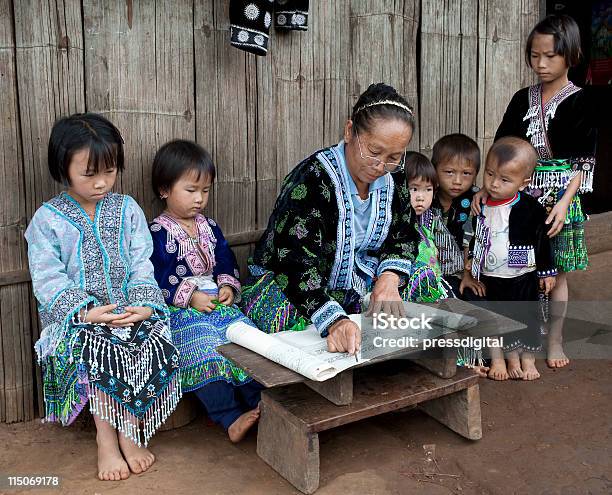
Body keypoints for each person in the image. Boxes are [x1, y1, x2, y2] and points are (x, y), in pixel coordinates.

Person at [24, 113, 181, 481]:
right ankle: (107, 440)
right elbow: (47, 279)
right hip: (77, 320)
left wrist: (144, 305)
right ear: (62, 169)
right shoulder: (47, 220)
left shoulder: (127, 209)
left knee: (152, 335)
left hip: (129, 309)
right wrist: (87, 313)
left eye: (109, 172)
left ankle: (129, 431)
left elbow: (143, 263)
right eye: (89, 174)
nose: (101, 183)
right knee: (97, 346)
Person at [240, 83, 420, 353]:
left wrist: (390, 279)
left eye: (394, 157)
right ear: (350, 132)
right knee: (299, 333)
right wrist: (333, 321)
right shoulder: (312, 179)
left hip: (365, 280)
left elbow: (404, 235)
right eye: (373, 152)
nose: (381, 166)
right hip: (297, 284)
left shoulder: (393, 177)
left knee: (424, 285)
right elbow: (293, 262)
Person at [474, 14, 597, 368]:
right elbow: (502, 147)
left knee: (555, 272)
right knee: (520, 267)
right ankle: (521, 334)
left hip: (562, 197)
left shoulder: (581, 102)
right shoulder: (521, 99)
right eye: (534, 55)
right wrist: (488, 187)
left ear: (570, 56)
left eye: (550, 56)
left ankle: (554, 340)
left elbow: (582, 163)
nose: (540, 64)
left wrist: (564, 203)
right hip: (520, 199)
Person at [149, 139, 262, 443]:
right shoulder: (156, 233)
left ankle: (260, 403)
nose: (199, 198)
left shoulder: (210, 226)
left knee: (244, 339)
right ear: (164, 189)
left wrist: (226, 285)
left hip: (217, 302)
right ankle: (229, 416)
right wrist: (190, 297)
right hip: (182, 310)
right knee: (204, 347)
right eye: (191, 190)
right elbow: (157, 276)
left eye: (205, 190)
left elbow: (224, 258)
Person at [468, 137, 556, 381]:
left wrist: (546, 272)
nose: (494, 184)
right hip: (489, 275)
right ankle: (500, 358)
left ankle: (526, 359)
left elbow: (542, 240)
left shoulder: (530, 207)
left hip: (522, 274)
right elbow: (474, 235)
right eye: (489, 175)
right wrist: (471, 268)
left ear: (523, 183)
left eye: (504, 180)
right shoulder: (481, 203)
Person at [429, 133, 485, 300]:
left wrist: (468, 275)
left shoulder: (475, 200)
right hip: (431, 273)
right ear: (435, 170)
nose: (458, 181)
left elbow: (474, 238)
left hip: (465, 273)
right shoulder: (426, 197)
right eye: (449, 172)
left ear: (475, 174)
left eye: (466, 173)